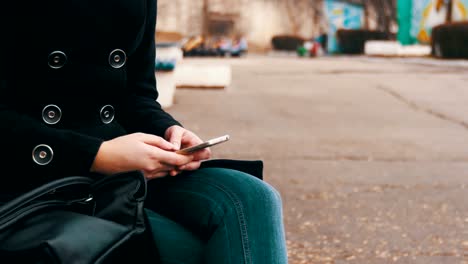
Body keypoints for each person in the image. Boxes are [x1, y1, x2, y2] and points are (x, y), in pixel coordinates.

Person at [0, 0, 288, 263]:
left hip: (122, 170)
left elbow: (136, 94)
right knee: (193, 250)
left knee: (251, 197)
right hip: (29, 177)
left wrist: (167, 130)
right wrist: (98, 155)